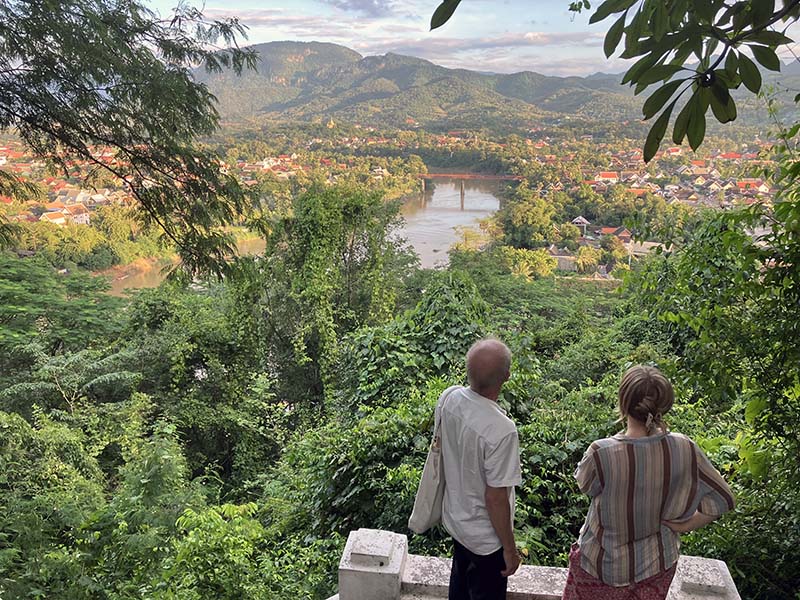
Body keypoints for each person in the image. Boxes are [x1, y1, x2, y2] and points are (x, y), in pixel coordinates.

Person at [562, 365, 735, 600]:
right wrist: (685, 525)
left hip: (599, 564)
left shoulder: (601, 452)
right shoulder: (684, 447)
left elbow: (586, 486)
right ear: (664, 404)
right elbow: (724, 499)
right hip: (657, 565)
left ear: (624, 402)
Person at [438, 338, 523, 600]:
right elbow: (495, 498)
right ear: (506, 377)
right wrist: (510, 549)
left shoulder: (449, 398)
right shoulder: (501, 430)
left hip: (456, 522)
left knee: (460, 589)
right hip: (486, 542)